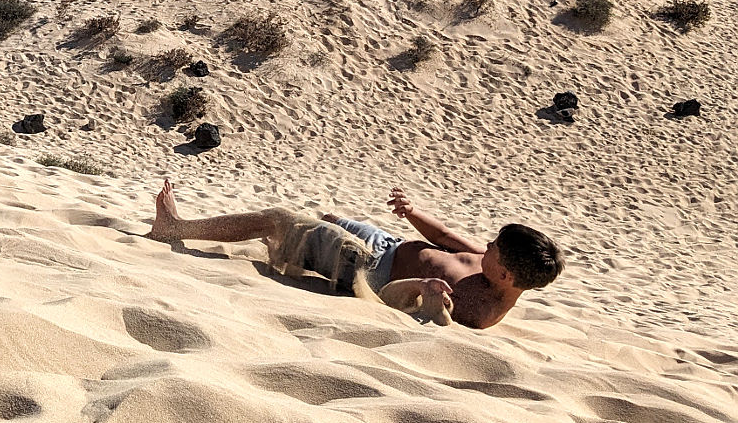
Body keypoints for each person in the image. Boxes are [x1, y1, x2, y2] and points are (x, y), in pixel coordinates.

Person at [149, 178, 563, 330]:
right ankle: (251, 239)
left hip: (366, 267)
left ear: (507, 276)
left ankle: (177, 229)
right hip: (386, 242)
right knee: (318, 220)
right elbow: (447, 237)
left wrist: (425, 293)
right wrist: (413, 213)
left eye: (494, 249)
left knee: (278, 221)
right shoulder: (491, 267)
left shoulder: (480, 308)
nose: (485, 247)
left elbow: (395, 305)